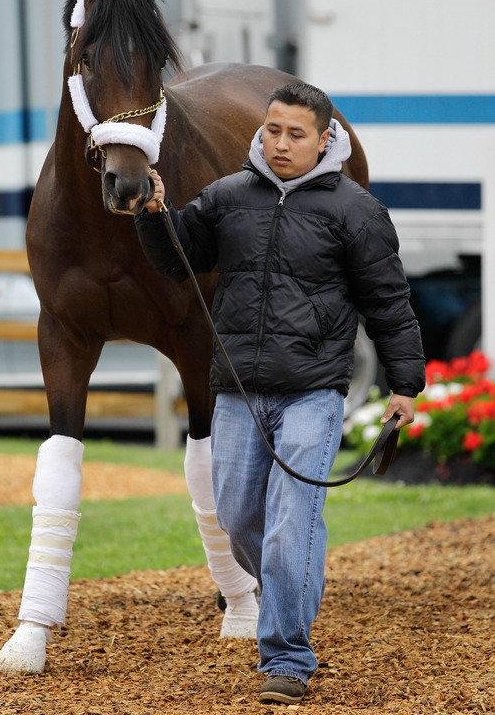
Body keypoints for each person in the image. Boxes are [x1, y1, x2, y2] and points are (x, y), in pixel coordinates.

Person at [134, 82, 426, 705]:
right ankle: (291, 587)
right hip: (238, 389)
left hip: (312, 393)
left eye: (297, 133)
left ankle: (288, 658)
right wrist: (154, 215)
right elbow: (176, 258)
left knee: (291, 528)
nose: (281, 143)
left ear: (326, 139)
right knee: (239, 517)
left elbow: (390, 305)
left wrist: (405, 384)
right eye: (273, 130)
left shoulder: (355, 211)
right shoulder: (228, 195)